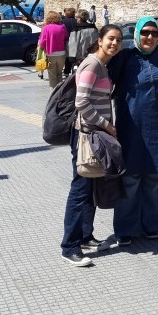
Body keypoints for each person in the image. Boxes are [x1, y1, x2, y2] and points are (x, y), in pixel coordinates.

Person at [61, 24, 123, 266]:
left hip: (94, 135)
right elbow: (82, 102)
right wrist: (107, 126)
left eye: (118, 40)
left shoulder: (102, 65)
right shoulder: (92, 64)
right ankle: (69, 246)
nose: (114, 43)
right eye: (110, 39)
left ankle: (85, 237)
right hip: (86, 135)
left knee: (89, 189)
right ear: (100, 40)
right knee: (80, 190)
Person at [110, 16, 158, 244]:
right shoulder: (125, 58)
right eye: (145, 32)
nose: (149, 37)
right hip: (131, 129)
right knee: (130, 178)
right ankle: (126, 228)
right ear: (136, 34)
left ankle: (151, 225)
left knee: (155, 178)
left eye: (154, 33)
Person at [38, 12, 69, 90]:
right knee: (59, 73)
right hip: (61, 53)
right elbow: (66, 38)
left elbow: (42, 42)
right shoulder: (62, 27)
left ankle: (53, 91)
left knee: (52, 75)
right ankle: (60, 91)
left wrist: (40, 50)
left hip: (50, 53)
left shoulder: (46, 28)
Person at [61, 7, 77, 76]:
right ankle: (74, 71)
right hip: (75, 40)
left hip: (66, 40)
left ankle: (66, 71)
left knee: (67, 57)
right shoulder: (77, 21)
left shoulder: (63, 22)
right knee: (75, 57)